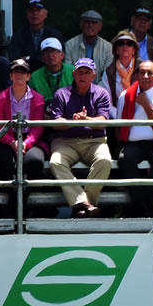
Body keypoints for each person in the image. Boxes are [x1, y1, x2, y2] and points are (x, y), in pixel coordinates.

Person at [48, 58, 113, 218]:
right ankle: (86, 205)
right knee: (55, 162)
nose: (83, 76)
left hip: (94, 141)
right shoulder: (61, 93)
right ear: (74, 74)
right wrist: (73, 122)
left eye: (87, 73)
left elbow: (103, 122)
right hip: (65, 142)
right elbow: (56, 123)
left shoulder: (101, 93)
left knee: (105, 161)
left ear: (94, 75)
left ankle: (81, 207)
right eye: (80, 72)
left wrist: (86, 120)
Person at [116, 61, 153, 217]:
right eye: (142, 73)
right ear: (136, 75)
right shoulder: (126, 95)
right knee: (124, 159)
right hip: (134, 144)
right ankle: (146, 208)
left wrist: (146, 104)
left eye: (150, 73)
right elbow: (119, 124)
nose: (145, 76)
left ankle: (139, 209)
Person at [0, 59, 47, 218]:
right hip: (7, 138)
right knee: (0, 159)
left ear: (29, 76)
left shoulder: (38, 98)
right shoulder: (1, 97)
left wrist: (26, 143)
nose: (19, 75)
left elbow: (38, 127)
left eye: (23, 72)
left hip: (31, 139)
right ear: (10, 75)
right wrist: (12, 142)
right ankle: (9, 199)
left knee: (34, 161)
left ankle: (27, 201)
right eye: (16, 72)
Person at [7, 0, 64, 72]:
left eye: (38, 10)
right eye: (31, 10)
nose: (35, 13)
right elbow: (15, 59)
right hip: (25, 75)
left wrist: (29, 58)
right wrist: (40, 59)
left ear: (45, 14)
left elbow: (58, 58)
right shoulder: (19, 35)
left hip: (49, 74)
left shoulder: (55, 34)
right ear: (26, 14)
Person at [64, 9, 112, 79]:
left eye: (94, 23)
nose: (90, 25)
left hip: (100, 87)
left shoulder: (108, 47)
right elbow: (68, 72)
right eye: (87, 22)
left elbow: (107, 75)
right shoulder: (70, 45)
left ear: (100, 26)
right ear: (81, 24)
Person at [103, 30, 139, 120]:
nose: (125, 46)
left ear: (134, 50)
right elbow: (107, 102)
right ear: (116, 49)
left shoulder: (142, 68)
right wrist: (119, 116)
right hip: (117, 118)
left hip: (140, 116)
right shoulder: (109, 71)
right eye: (121, 44)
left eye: (129, 44)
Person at [29, 37, 73, 107]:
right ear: (42, 57)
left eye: (54, 51)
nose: (50, 55)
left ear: (62, 55)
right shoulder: (34, 77)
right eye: (47, 52)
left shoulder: (73, 72)